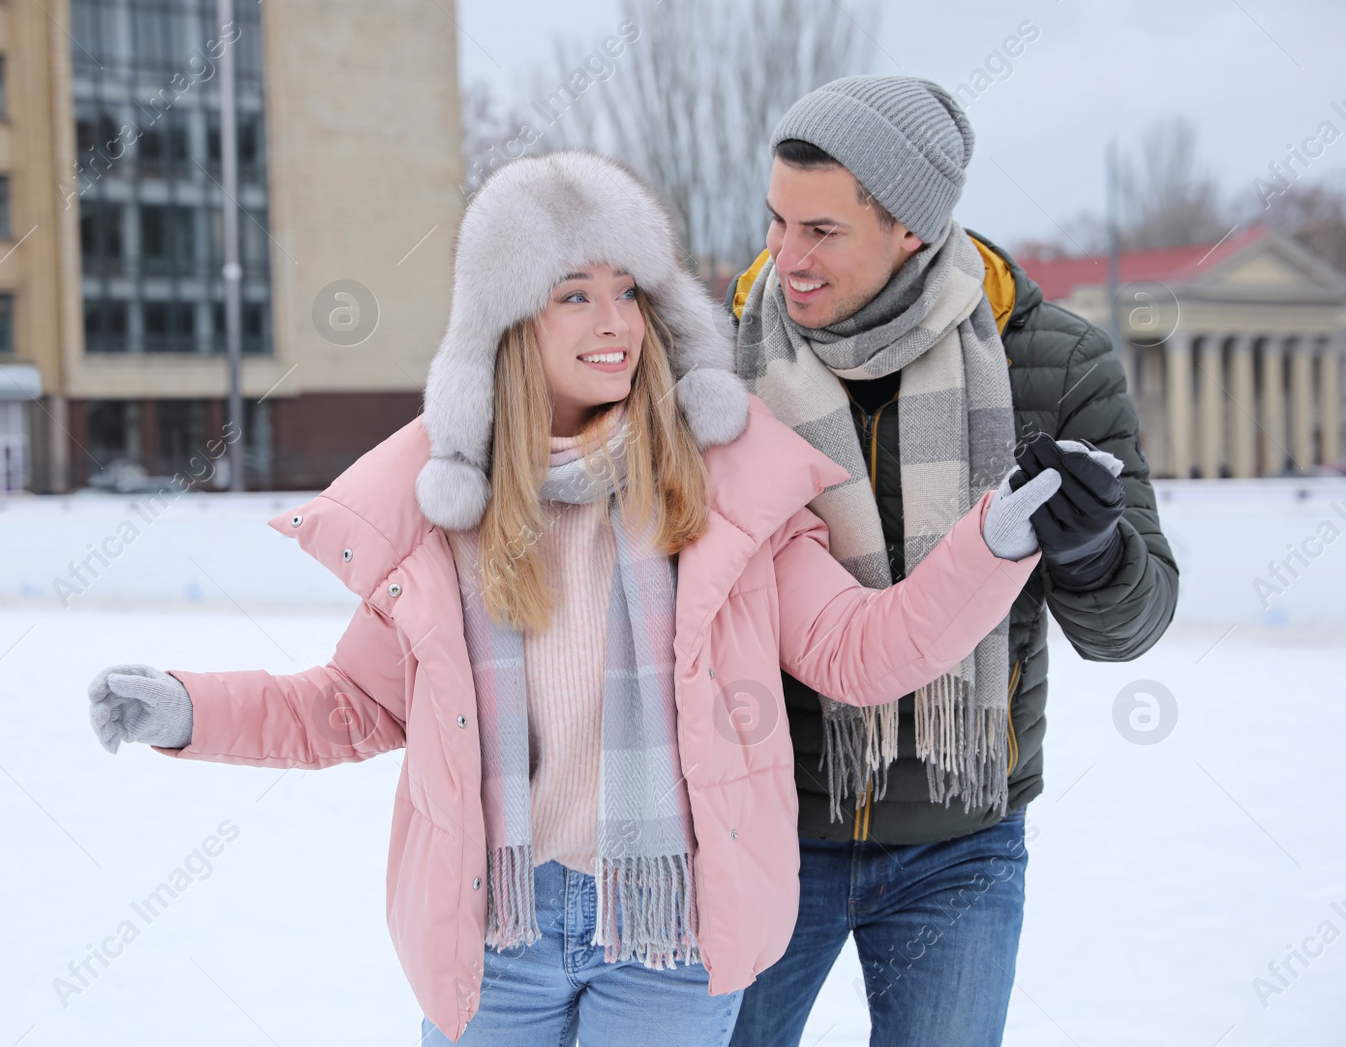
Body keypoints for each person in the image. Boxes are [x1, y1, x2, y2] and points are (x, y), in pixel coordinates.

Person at [84, 152, 1059, 1046]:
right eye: (576, 295)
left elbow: (861, 649)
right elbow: (349, 703)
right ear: (508, 320)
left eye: (630, 291)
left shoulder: (719, 481)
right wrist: (188, 707)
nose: (615, 322)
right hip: (495, 927)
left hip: (664, 935)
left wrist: (994, 538)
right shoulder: (446, 509)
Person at [723, 77, 1179, 1047]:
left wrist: (1097, 553)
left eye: (822, 230)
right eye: (776, 220)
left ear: (911, 230)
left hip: (960, 843)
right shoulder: (720, 370)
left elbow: (1131, 625)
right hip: (759, 830)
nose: (784, 256)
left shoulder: (1048, 363)